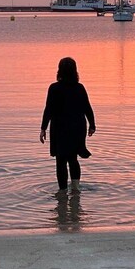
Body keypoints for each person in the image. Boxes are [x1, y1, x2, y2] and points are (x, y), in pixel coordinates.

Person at [40, 57, 96, 191]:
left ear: (59, 71)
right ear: (75, 71)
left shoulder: (54, 88)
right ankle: (76, 189)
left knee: (61, 161)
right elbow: (87, 108)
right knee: (73, 158)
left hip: (60, 128)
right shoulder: (79, 88)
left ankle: (63, 192)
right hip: (77, 127)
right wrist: (92, 125)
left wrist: (43, 128)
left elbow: (48, 109)